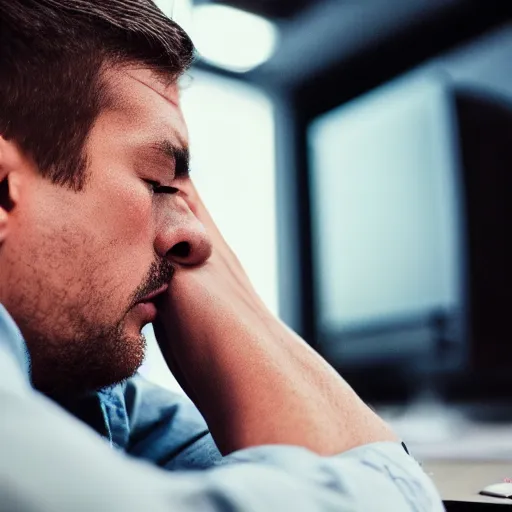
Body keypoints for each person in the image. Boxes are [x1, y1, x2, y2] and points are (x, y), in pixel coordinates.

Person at [0, 1, 443, 510]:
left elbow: (292, 468)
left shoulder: (73, 386)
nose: (198, 236)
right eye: (159, 182)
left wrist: (240, 304)